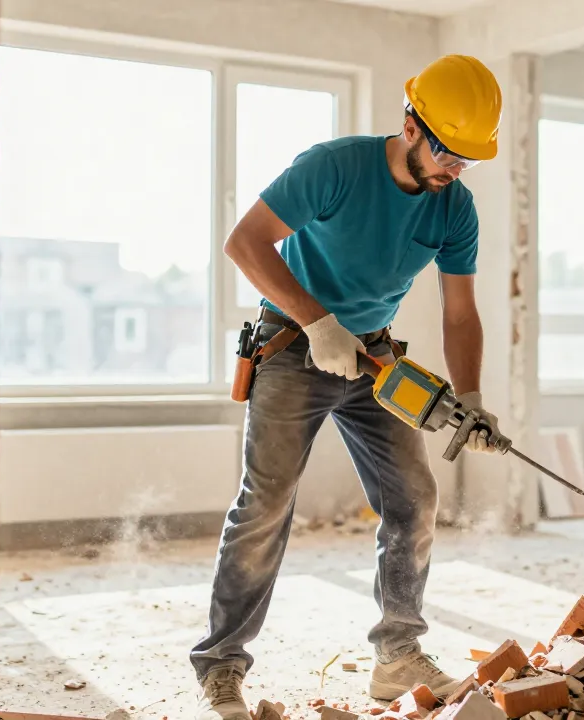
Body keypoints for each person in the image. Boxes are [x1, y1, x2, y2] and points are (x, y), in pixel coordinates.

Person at [190, 54, 505, 720]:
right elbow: (245, 243)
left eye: (468, 160)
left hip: (372, 359)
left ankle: (398, 657)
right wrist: (316, 323)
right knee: (266, 502)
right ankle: (220, 666)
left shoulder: (456, 210)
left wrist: (470, 400)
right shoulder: (333, 166)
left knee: (415, 498)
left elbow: (459, 311)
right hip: (290, 342)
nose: (454, 169)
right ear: (411, 125)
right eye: (448, 151)